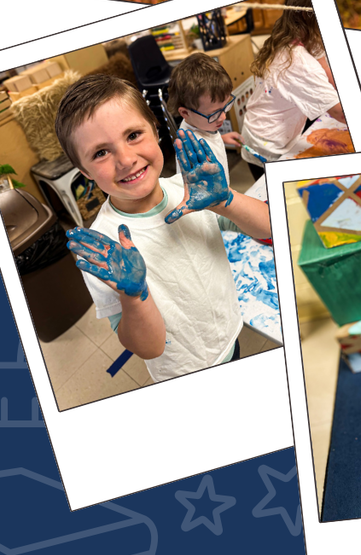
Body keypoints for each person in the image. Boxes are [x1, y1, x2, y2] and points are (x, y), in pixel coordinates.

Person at [57, 75, 271, 382]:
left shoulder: (190, 192)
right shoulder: (104, 250)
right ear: (84, 171)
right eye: (100, 153)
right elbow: (150, 348)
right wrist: (134, 296)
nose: (126, 159)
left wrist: (225, 200)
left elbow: (267, 227)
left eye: (133, 135)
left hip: (229, 334)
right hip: (182, 370)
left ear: (155, 131)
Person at [240, 0, 346, 174]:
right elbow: (341, 113)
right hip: (267, 144)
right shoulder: (296, 61)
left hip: (274, 130)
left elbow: (329, 74)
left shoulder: (300, 33)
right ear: (309, 16)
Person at [168, 52, 244, 182]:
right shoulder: (193, 152)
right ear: (185, 113)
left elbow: (204, 135)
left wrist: (221, 139)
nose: (223, 117)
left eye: (225, 106)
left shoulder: (200, 123)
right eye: (213, 114)